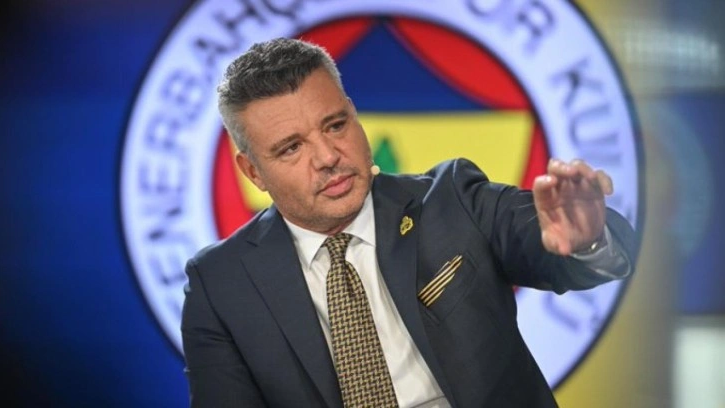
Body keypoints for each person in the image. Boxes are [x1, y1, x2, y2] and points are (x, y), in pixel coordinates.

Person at [181, 38, 635, 408]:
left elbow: (544, 243)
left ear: (354, 115)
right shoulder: (220, 283)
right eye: (291, 148)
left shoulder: (451, 199)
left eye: (336, 126)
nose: (328, 157)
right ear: (254, 172)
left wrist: (587, 240)